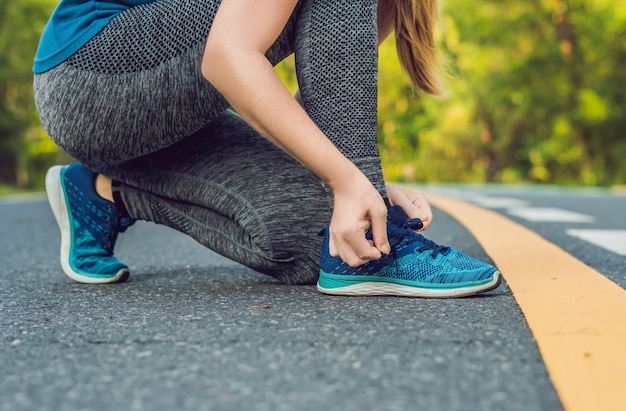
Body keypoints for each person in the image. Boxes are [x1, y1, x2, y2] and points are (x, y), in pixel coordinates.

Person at [33, 0, 502, 297]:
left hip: (172, 107)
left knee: (324, 240)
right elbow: (228, 55)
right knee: (353, 236)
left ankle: (103, 191)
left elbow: (325, 94)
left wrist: (362, 185)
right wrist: (350, 178)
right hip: (92, 79)